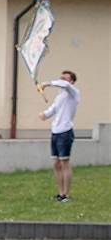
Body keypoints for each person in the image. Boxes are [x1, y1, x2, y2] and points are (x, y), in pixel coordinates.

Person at [38, 71, 81, 202]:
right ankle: (60, 193)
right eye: (60, 77)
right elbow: (54, 109)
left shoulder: (73, 92)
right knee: (56, 164)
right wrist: (44, 114)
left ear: (72, 81)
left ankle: (66, 195)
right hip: (55, 132)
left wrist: (47, 83)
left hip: (65, 132)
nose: (61, 80)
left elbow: (65, 85)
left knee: (64, 163)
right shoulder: (60, 96)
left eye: (65, 78)